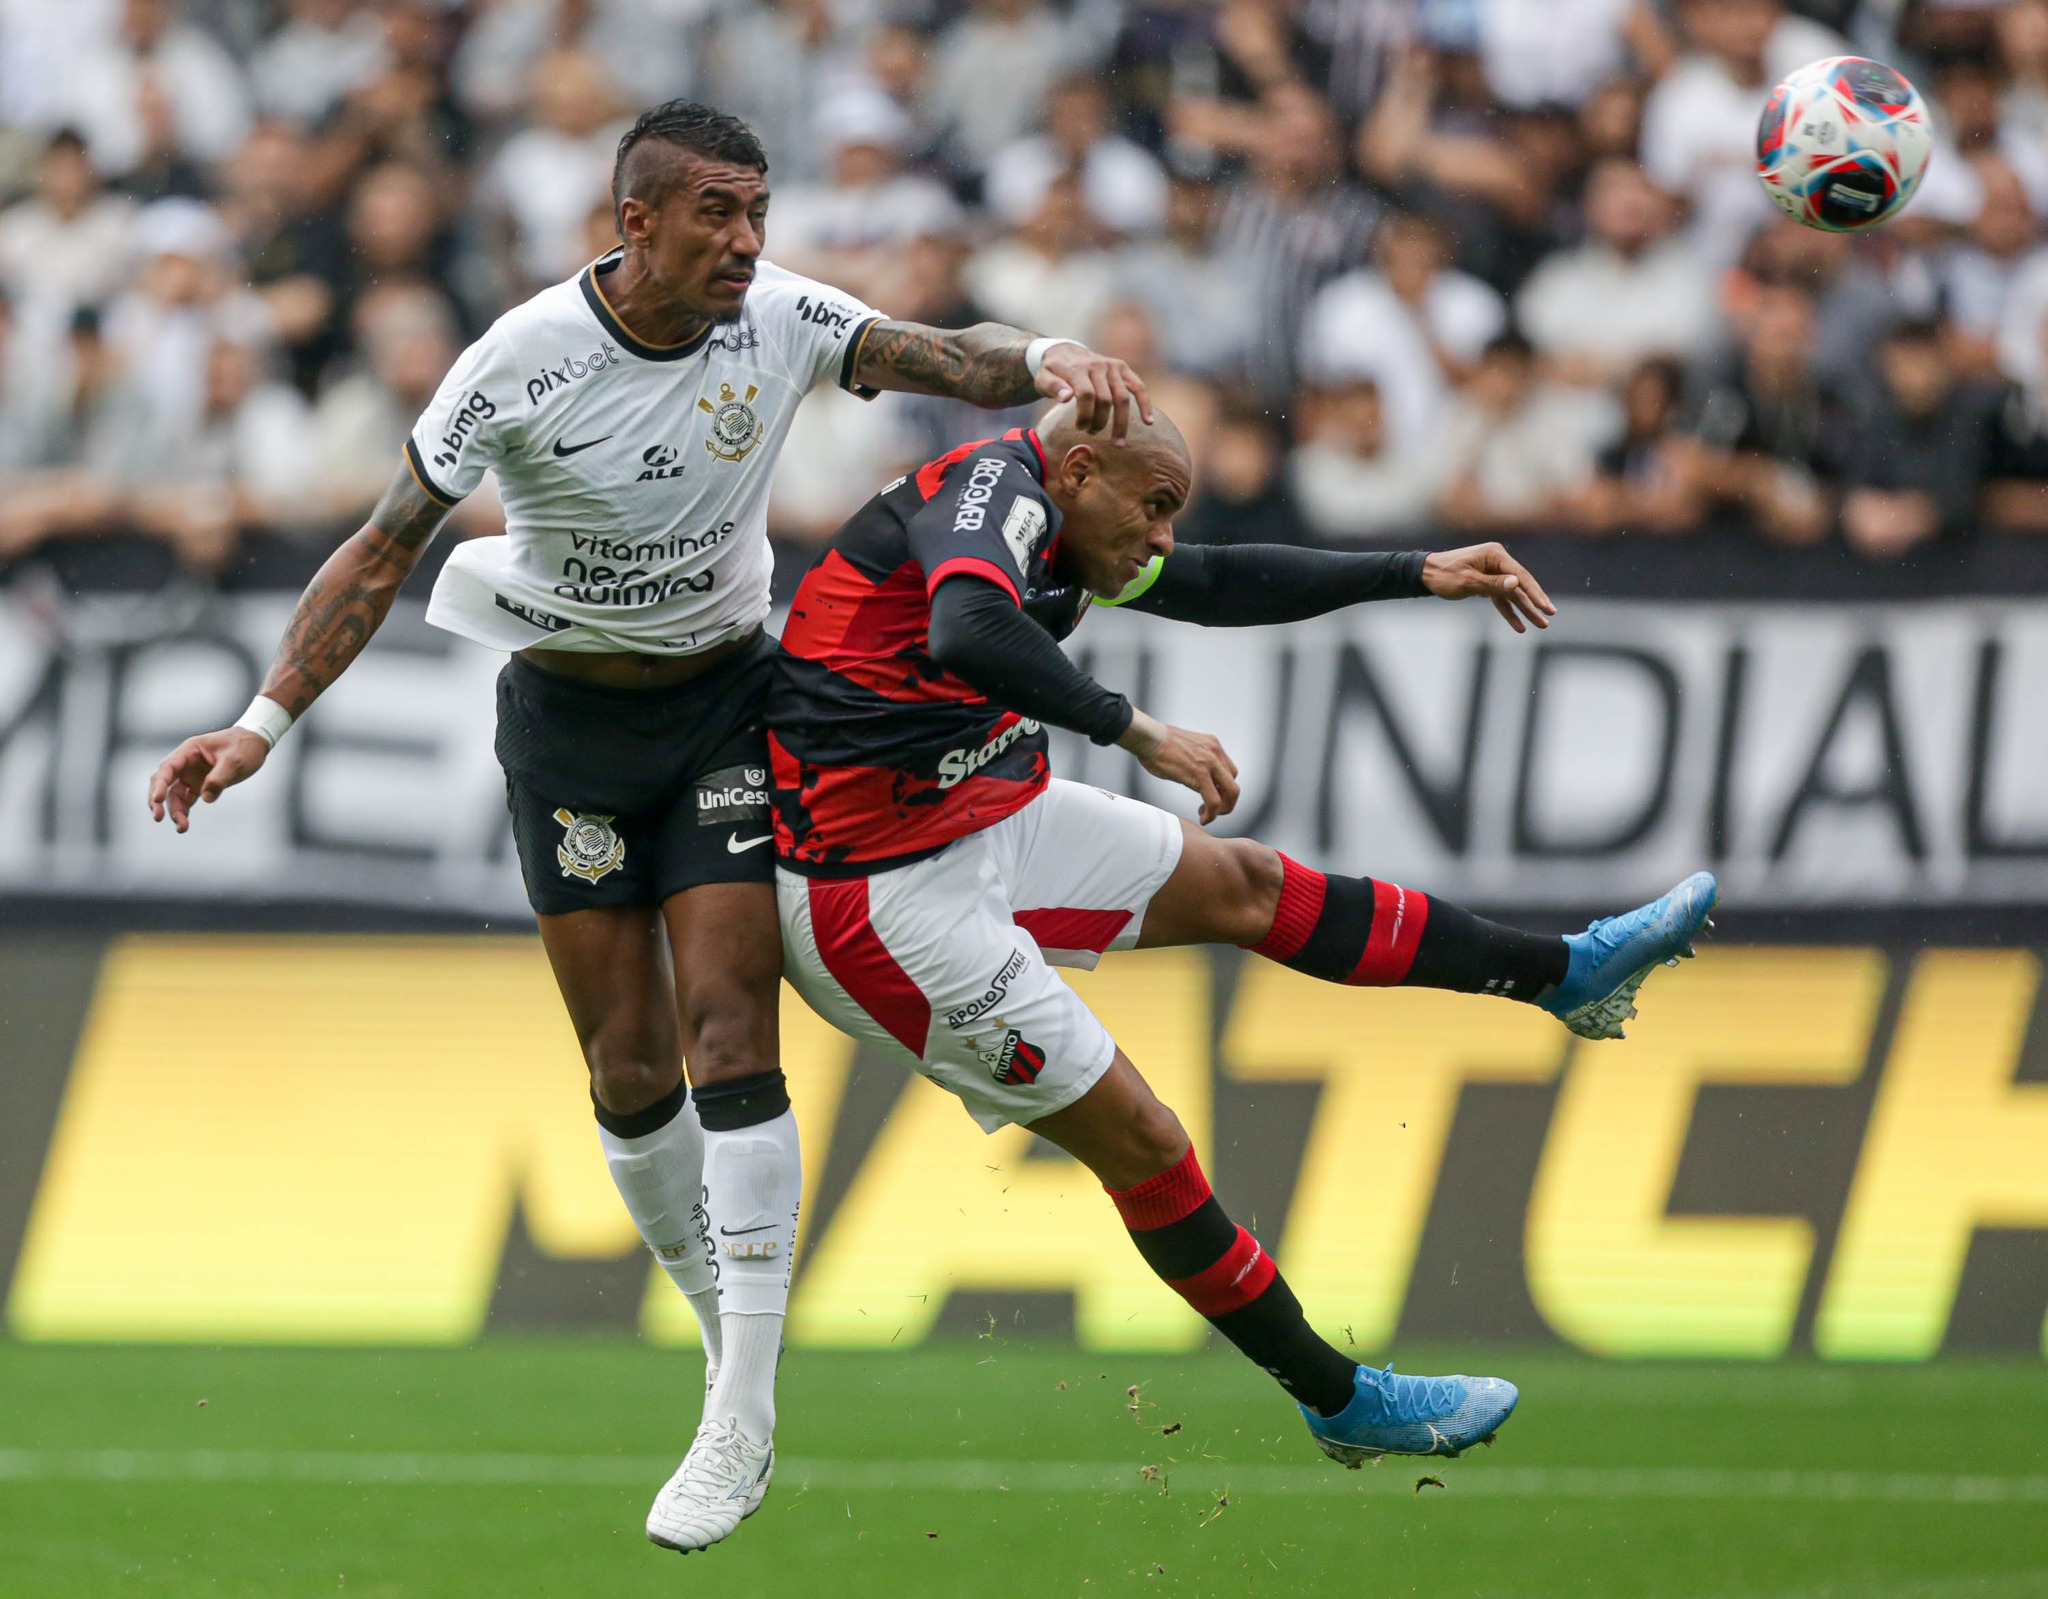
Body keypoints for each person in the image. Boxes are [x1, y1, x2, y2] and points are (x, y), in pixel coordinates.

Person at [143, 100, 1149, 1557]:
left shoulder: (782, 318)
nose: (748, 238)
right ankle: (721, 1334)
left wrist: (1048, 356)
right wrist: (259, 723)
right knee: (627, 1070)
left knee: (730, 1029)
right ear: (637, 224)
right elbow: (380, 547)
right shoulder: (520, 360)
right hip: (570, 731)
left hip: (733, 708)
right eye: (718, 213)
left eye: (758, 208)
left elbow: (943, 354)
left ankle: (742, 1405)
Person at [763, 400, 1718, 1478]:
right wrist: (1137, 730)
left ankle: (1567, 979)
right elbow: (964, 631)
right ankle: (1336, 1397)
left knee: (1247, 882)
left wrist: (1414, 570)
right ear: (1078, 471)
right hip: (878, 903)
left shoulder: (1068, 520)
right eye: (1154, 506)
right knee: (1148, 1143)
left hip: (975, 815)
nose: (1163, 537)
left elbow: (1213, 583)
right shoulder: (991, 501)